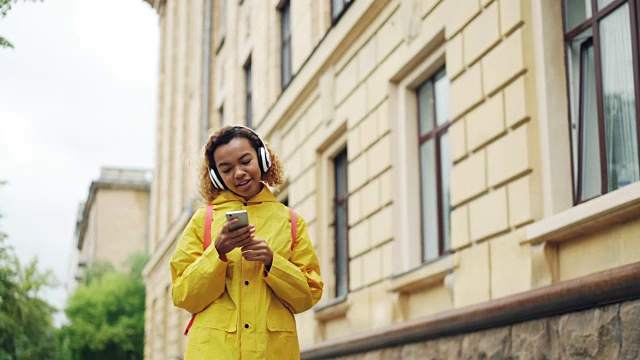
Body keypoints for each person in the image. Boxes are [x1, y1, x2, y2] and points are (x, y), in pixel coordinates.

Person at [170, 125, 324, 359]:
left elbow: (308, 296)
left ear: (263, 159)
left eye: (245, 161)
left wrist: (273, 262)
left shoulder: (291, 222)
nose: (239, 173)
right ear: (216, 176)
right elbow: (183, 295)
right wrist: (217, 252)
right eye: (227, 169)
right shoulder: (204, 220)